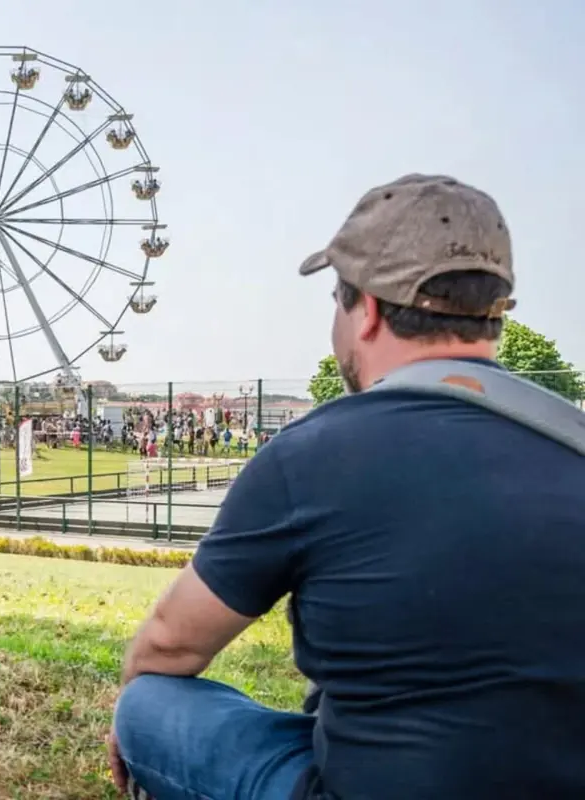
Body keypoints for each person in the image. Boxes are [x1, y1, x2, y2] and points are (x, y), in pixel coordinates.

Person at [109, 174, 585, 800]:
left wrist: (127, 716)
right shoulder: (569, 443)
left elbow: (170, 643)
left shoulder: (310, 455)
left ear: (369, 310)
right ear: (494, 314)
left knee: (149, 704)